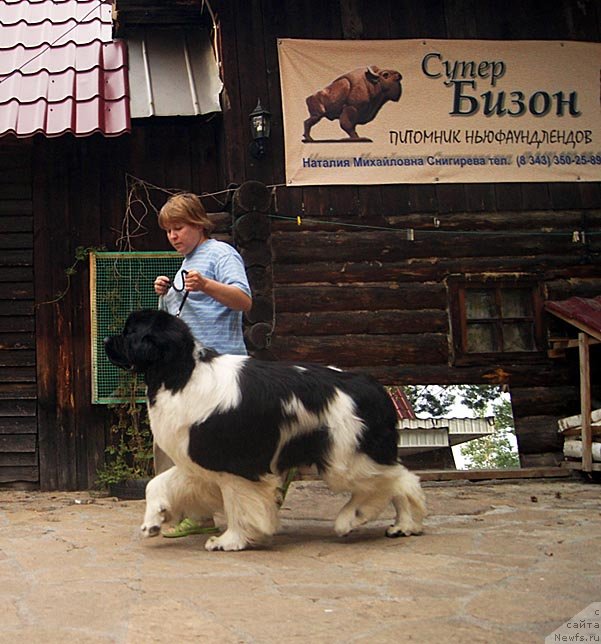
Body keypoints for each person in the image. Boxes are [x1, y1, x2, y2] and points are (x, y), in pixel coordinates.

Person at [152, 192, 252, 537]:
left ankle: (262, 493)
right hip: (191, 371)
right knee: (182, 443)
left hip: (221, 367)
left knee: (221, 446)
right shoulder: (186, 262)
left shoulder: (221, 253)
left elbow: (244, 301)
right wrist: (166, 294)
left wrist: (207, 285)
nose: (173, 236)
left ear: (198, 224)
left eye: (178, 228)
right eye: (168, 231)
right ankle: (198, 513)